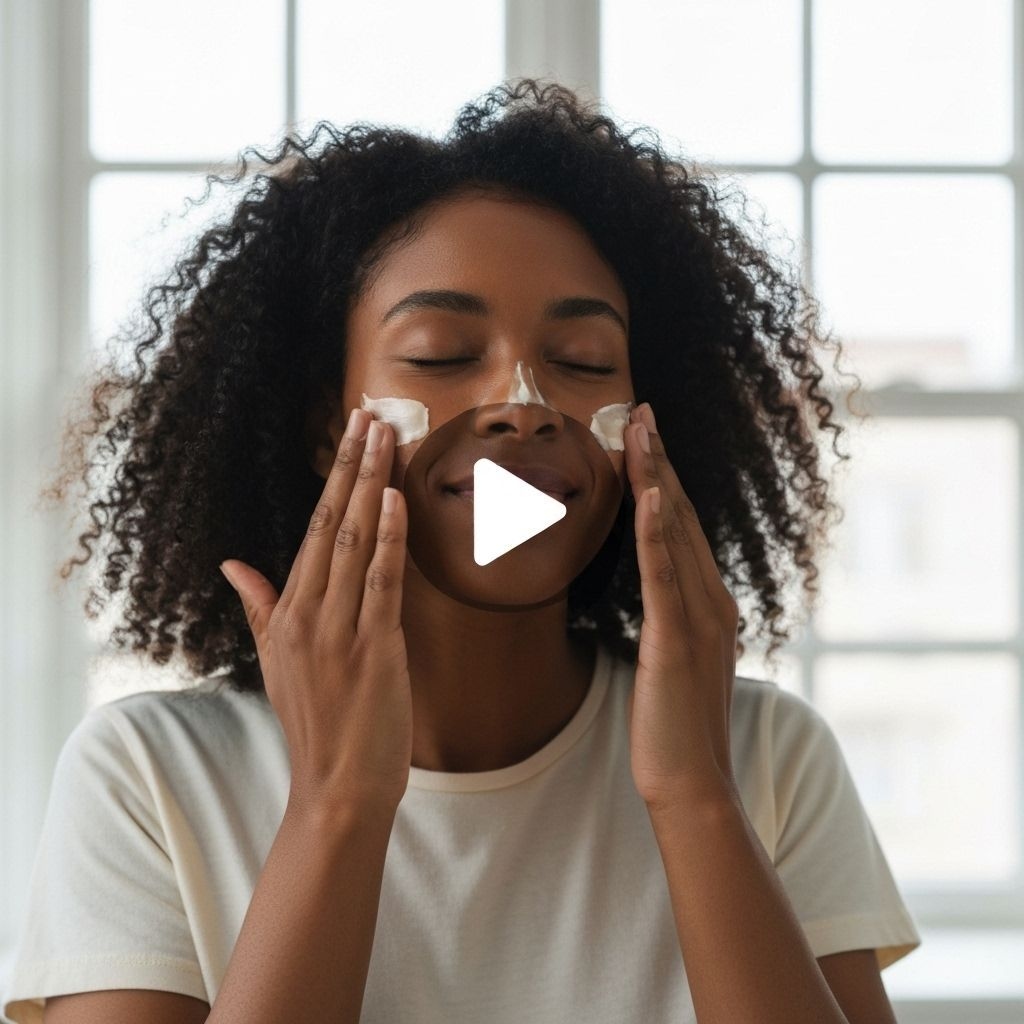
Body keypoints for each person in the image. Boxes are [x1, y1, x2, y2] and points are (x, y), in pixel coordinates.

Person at [2, 79, 921, 1023]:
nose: (524, 404)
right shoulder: (149, 775)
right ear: (329, 428)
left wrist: (694, 797)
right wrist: (337, 803)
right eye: (440, 354)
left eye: (586, 362)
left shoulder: (765, 756)